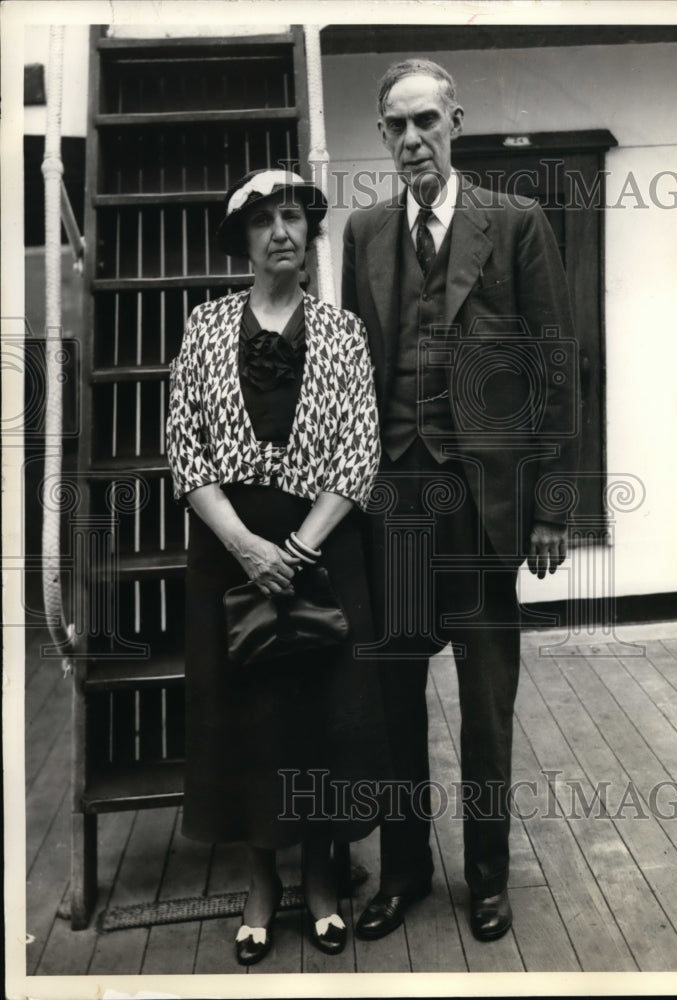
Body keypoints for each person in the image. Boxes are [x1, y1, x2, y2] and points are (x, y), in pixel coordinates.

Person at [342, 60, 579, 942]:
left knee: (484, 707)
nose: (412, 140)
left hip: (481, 504)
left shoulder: (513, 222)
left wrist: (553, 504)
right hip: (394, 502)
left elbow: (556, 364)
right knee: (395, 698)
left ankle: (486, 878)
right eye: (396, 127)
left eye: (426, 122)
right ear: (383, 136)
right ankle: (403, 872)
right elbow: (350, 375)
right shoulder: (363, 232)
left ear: (456, 123)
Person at [166, 169, 389, 965]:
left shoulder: (343, 333)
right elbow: (184, 451)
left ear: (309, 230)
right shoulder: (202, 328)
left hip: (323, 553)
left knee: (323, 722)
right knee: (246, 726)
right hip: (229, 557)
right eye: (263, 222)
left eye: (293, 216)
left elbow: (359, 454)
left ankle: (324, 884)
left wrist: (294, 550)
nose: (281, 232)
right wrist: (247, 547)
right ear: (244, 241)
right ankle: (261, 887)